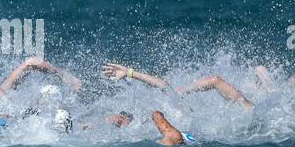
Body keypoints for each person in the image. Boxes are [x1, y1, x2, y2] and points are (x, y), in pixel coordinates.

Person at [101, 62, 254, 109]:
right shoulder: (175, 113)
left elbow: (164, 85)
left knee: (216, 81)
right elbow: (164, 86)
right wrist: (129, 73)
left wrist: (130, 72)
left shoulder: (177, 112)